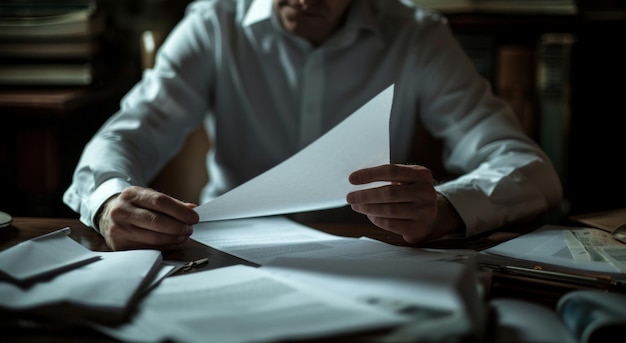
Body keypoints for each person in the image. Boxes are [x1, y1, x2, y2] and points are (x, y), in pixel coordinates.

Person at [64, 0, 562, 251]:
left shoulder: (416, 36)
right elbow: (128, 133)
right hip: (225, 252)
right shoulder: (215, 22)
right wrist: (108, 198)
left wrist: (449, 208)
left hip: (372, 257)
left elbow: (529, 168)